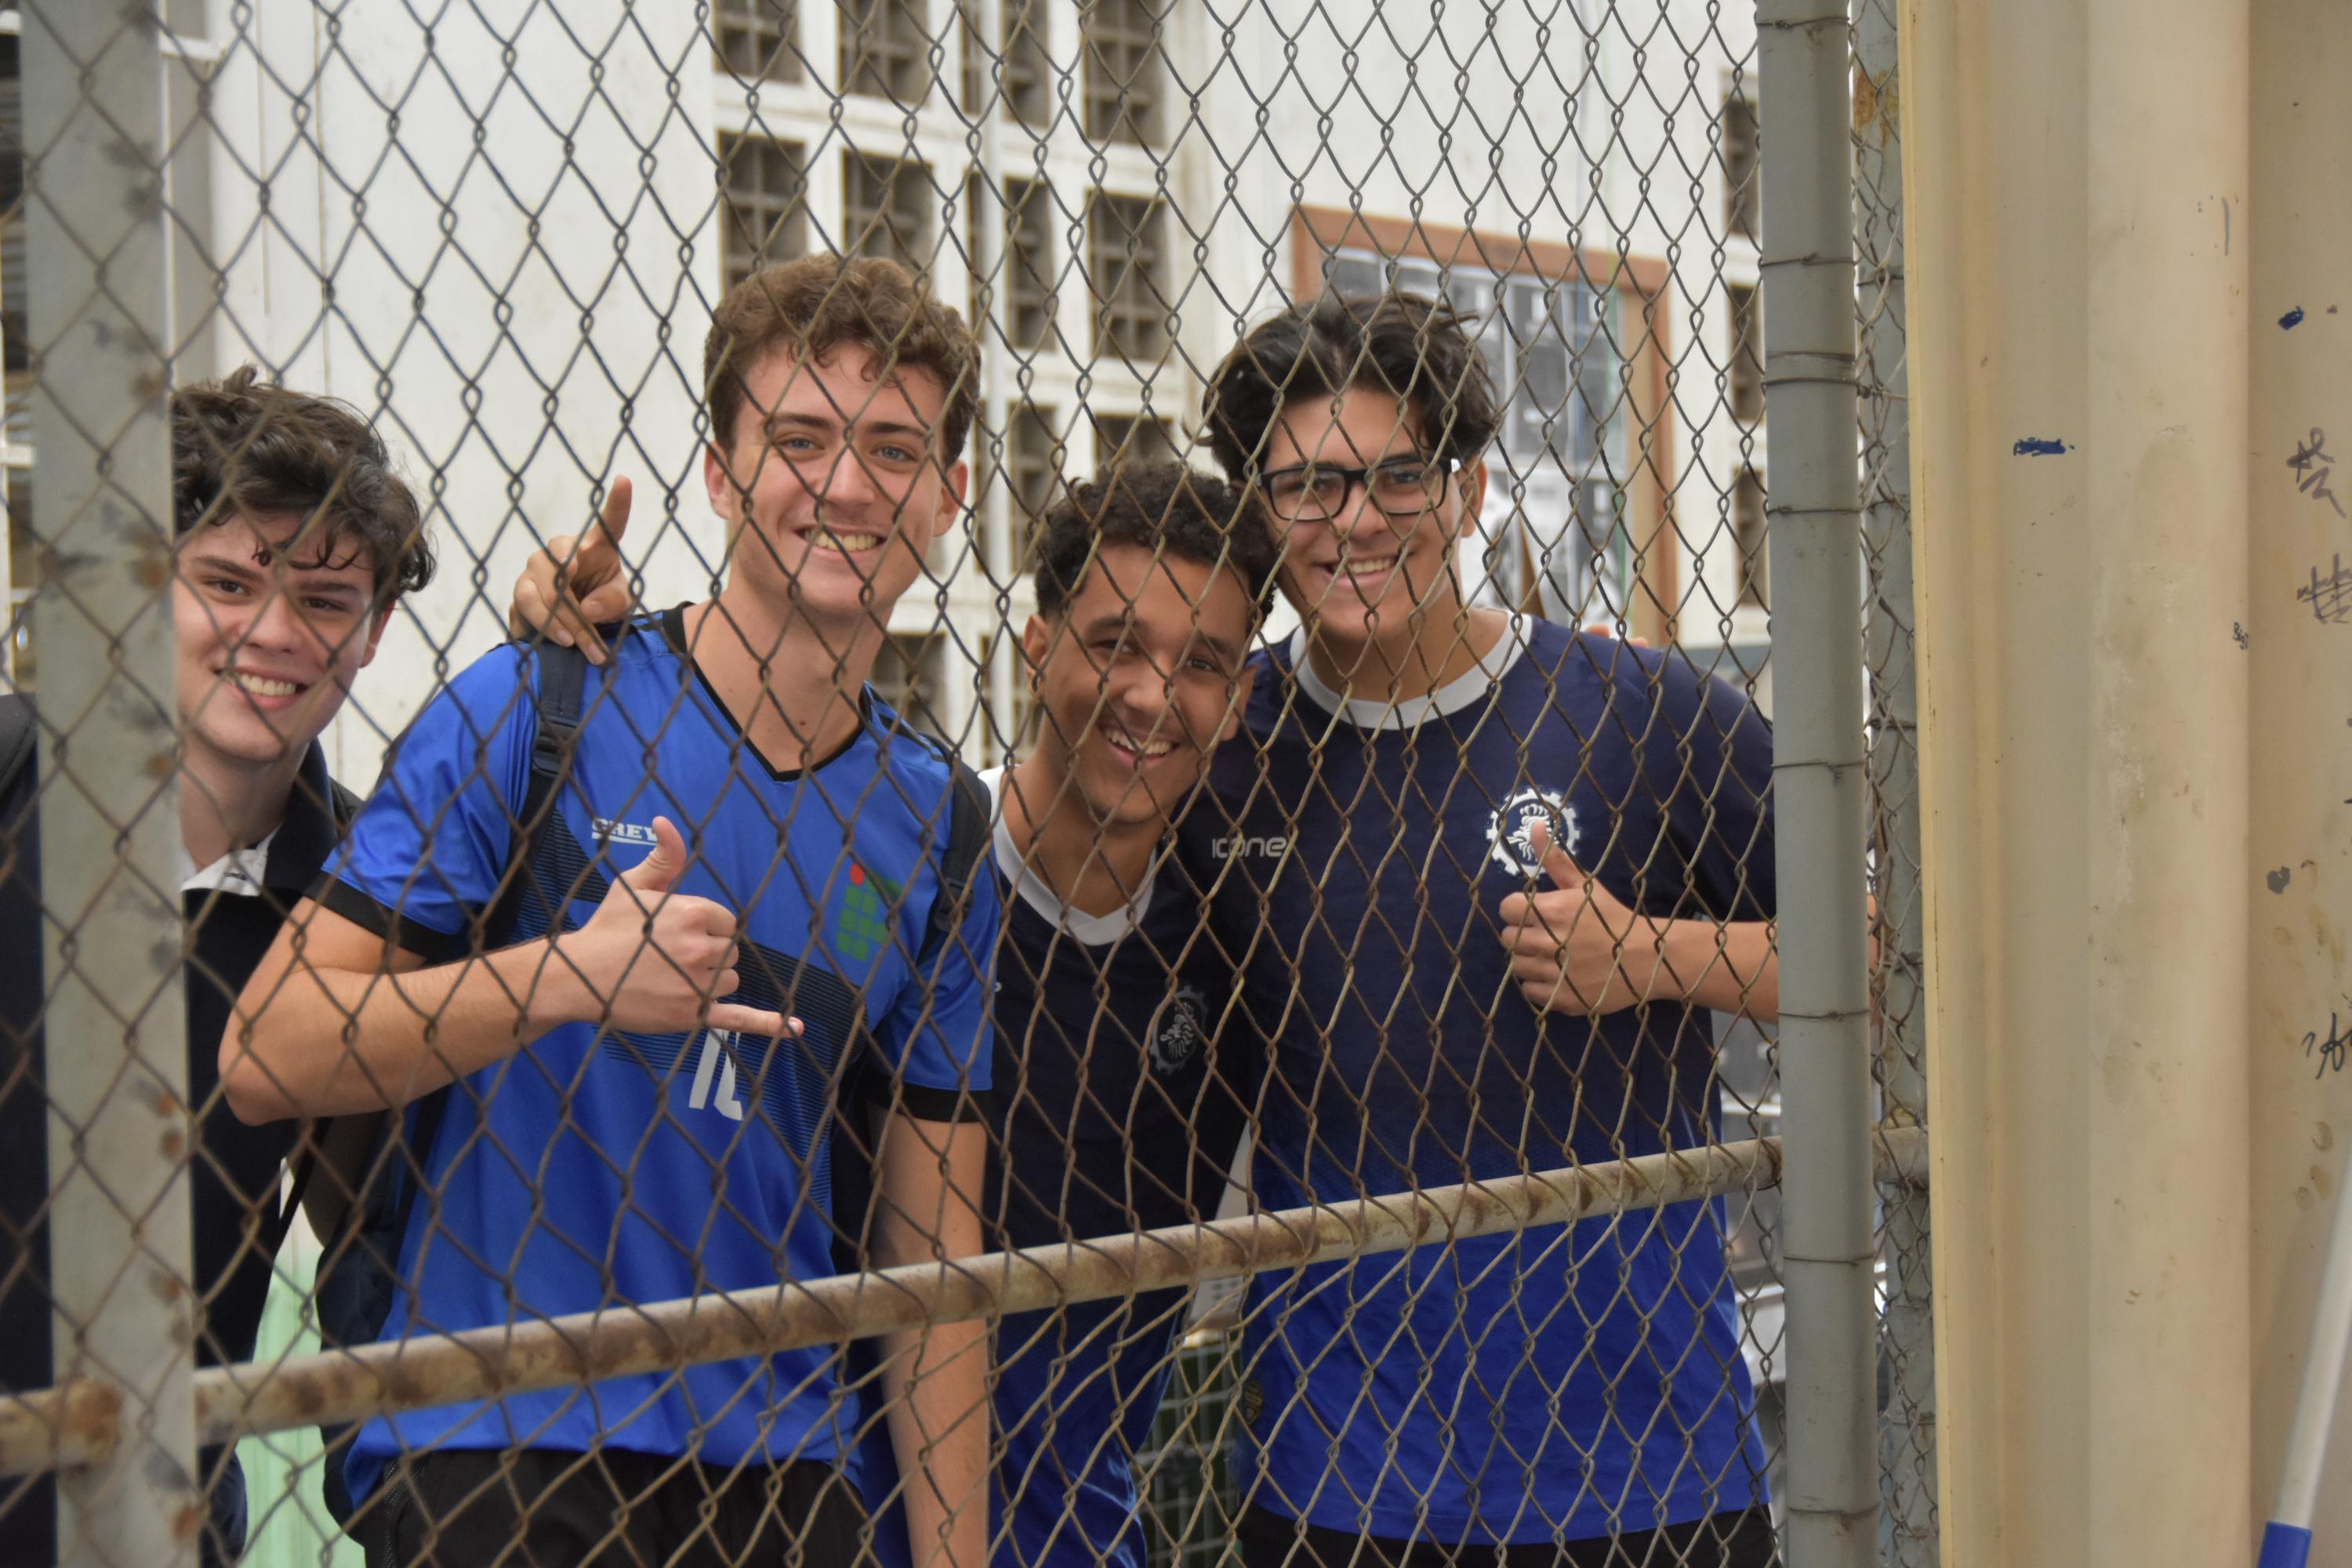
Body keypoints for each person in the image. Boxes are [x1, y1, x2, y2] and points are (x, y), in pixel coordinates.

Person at [225, 253, 999, 1568]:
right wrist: (565, 977)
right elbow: (267, 1050)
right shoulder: (537, 703)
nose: (847, 484)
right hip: (502, 1435)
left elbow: (934, 1250)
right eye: (798, 440)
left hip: (781, 1463)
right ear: (719, 474)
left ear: (950, 496)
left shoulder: (937, 822)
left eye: (893, 448)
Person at [506, 459, 1282, 1568]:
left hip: (1083, 1523)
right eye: (1115, 643)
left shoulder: (1238, 930)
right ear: (1036, 645)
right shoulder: (899, 874)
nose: (1153, 696)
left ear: (1240, 696)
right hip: (818, 1508)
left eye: (1201, 663)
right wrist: (562, 636)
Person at [1193, 288, 1783, 1568]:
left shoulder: (1642, 712)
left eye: (1399, 475)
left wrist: (1658, 956)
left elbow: (1883, 951)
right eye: (1308, 487)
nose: (1357, 519)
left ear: (1465, 491)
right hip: (1344, 1476)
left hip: (1648, 1468)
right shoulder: (1224, 748)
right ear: (1259, 514)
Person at [0, 366, 437, 1566]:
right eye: (230, 583)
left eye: (326, 598)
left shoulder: (360, 903)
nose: (275, 634)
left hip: (153, 1509)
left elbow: (367, 1239)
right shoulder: (16, 776)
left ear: (374, 631)